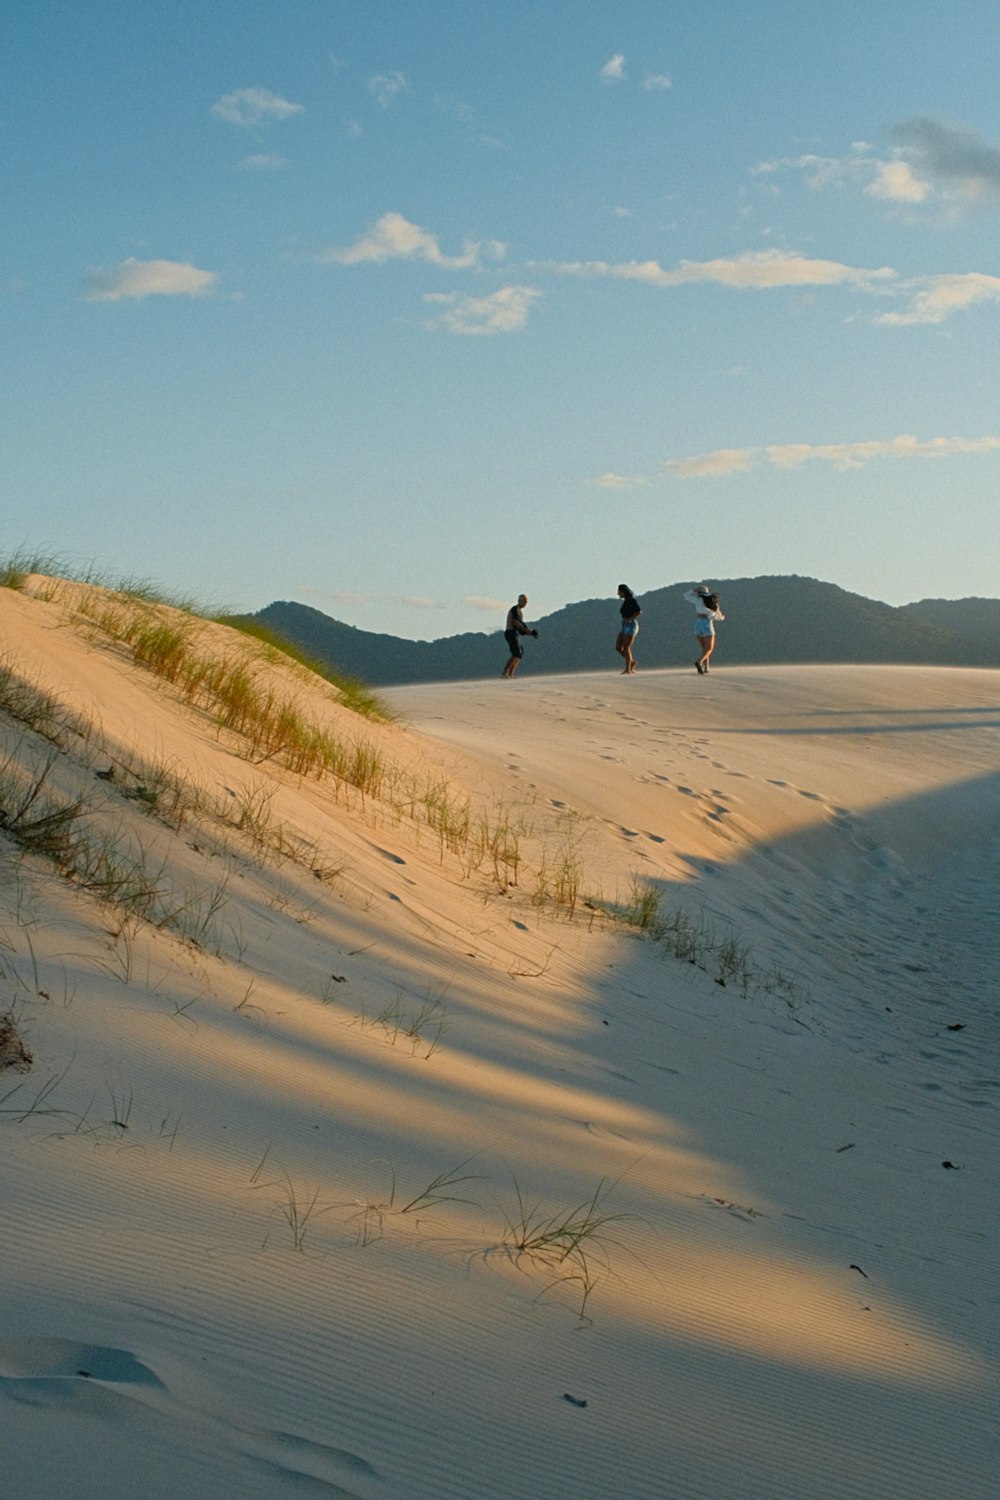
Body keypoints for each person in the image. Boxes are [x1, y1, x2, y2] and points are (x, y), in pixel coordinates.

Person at [684, 584, 725, 674]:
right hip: (707, 623)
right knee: (709, 648)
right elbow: (718, 615)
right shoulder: (713, 601)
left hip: (698, 623)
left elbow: (686, 595)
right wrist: (721, 617)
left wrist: (694, 590)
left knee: (704, 648)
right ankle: (700, 662)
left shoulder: (697, 599)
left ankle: (707, 667)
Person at [501, 594, 538, 678]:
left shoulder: (519, 612)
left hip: (515, 633)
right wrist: (526, 630)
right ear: (519, 601)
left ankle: (510, 674)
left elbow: (521, 628)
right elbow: (515, 622)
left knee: (519, 654)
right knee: (516, 653)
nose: (525, 603)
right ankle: (504, 674)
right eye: (523, 601)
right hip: (510, 632)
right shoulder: (515, 609)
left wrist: (531, 633)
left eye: (526, 601)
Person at [615, 584, 641, 673]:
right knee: (618, 647)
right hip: (624, 625)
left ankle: (628, 669)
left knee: (626, 647)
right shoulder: (626, 601)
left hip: (630, 625)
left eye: (619, 592)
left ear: (623, 592)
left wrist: (630, 618)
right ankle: (631, 662)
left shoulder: (631, 600)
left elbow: (639, 611)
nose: (618, 593)